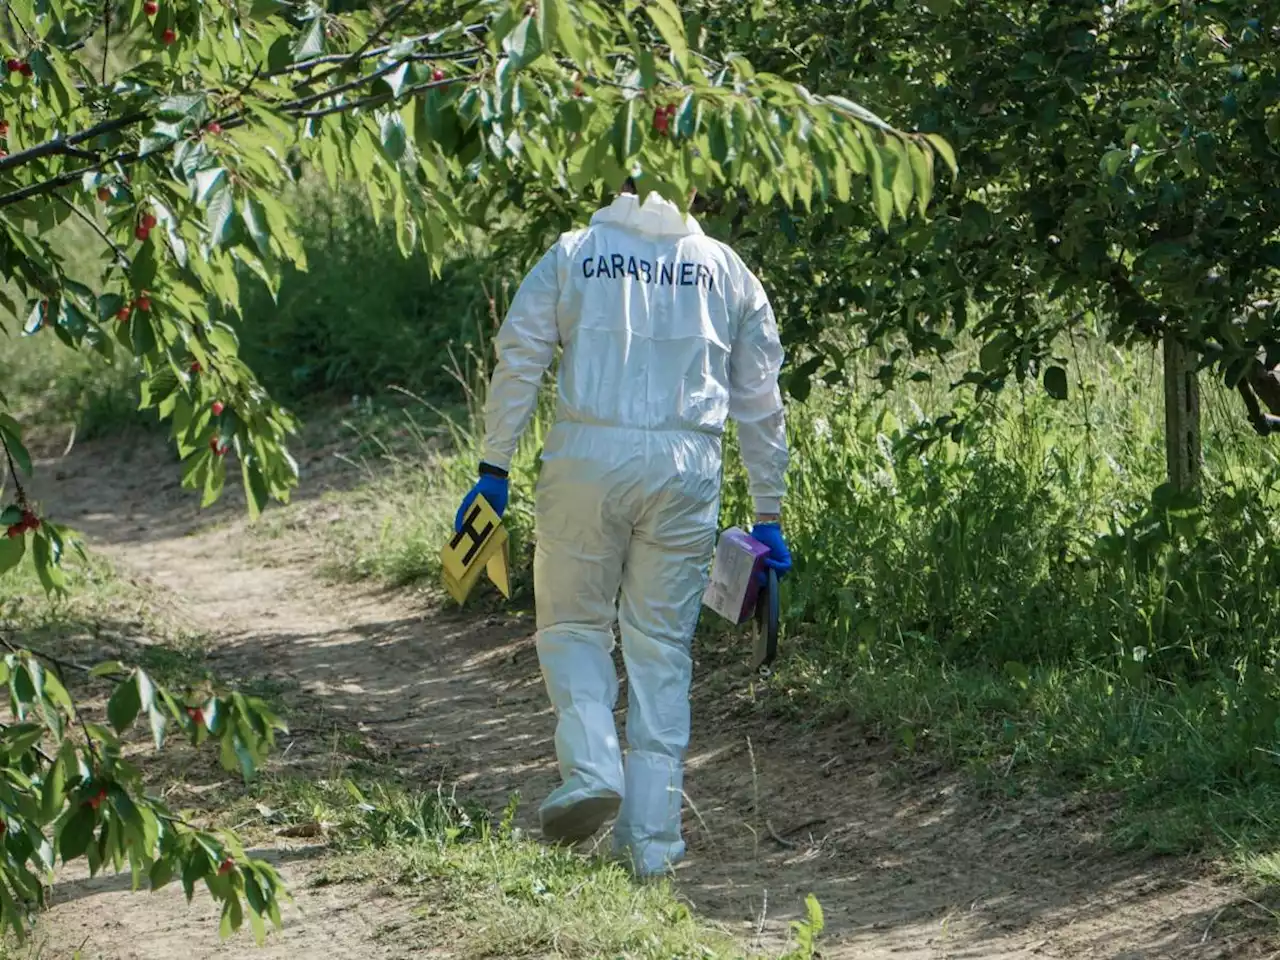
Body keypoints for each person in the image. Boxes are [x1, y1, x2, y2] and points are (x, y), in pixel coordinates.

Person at [454, 177, 793, 878]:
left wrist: (494, 462)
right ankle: (652, 844)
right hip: (686, 464)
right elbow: (761, 401)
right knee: (662, 650)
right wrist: (769, 512)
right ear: (693, 182)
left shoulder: (575, 253)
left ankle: (591, 769)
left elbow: (519, 355)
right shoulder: (727, 269)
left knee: (574, 626)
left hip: (587, 456)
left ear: (614, 178)